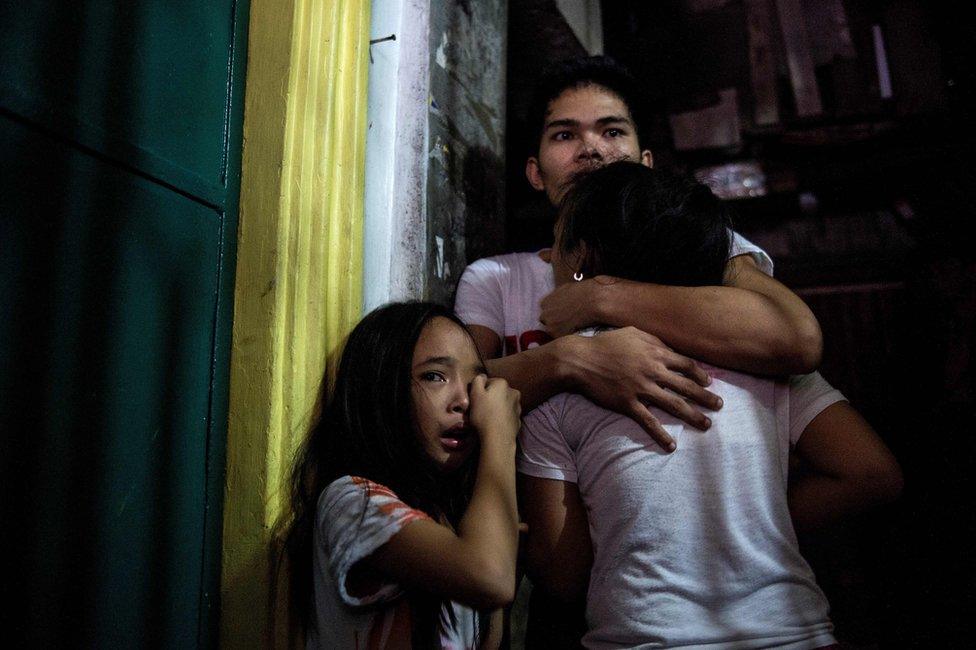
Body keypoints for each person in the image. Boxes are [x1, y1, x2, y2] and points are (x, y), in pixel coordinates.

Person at [518, 162, 904, 648]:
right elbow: (872, 474)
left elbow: (562, 573)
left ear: (583, 258)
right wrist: (757, 518)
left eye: (558, 241)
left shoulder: (563, 380)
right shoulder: (767, 361)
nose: (548, 255)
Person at [456, 55, 823, 452]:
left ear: (646, 163)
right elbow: (455, 393)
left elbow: (797, 340)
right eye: (565, 135)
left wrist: (599, 296)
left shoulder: (696, 243)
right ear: (535, 172)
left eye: (612, 131)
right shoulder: (495, 278)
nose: (591, 150)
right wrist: (572, 360)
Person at [285, 302, 522, 648]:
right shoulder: (351, 501)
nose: (465, 402)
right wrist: (500, 436)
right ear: (382, 388)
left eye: (473, 383)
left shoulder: (461, 521)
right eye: (434, 376)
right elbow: (491, 579)